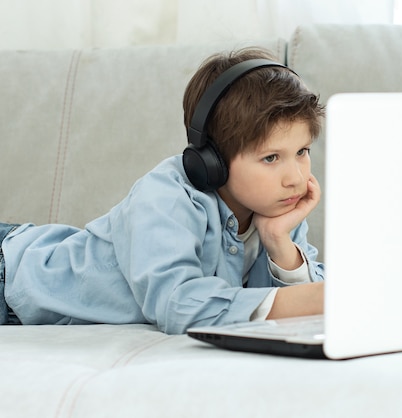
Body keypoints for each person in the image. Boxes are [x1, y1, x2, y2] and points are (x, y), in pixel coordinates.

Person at [0, 47, 325, 334]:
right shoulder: (165, 196)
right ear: (212, 160)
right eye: (271, 157)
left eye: (302, 151)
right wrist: (311, 298)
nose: (295, 178)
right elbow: (177, 304)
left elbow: (304, 313)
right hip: (9, 274)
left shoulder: (278, 208)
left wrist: (281, 246)